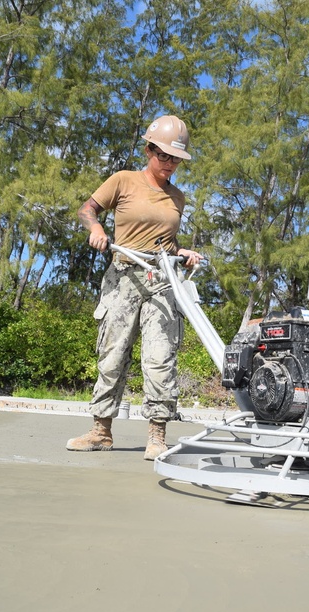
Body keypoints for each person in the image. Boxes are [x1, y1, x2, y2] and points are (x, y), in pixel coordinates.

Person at [66, 115, 204, 460]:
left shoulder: (177, 198)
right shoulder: (123, 181)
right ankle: (101, 431)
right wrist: (95, 230)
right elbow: (88, 209)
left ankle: (157, 437)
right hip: (123, 277)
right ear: (149, 150)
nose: (169, 164)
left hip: (160, 280)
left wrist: (181, 252)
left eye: (176, 159)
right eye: (164, 156)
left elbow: (166, 243)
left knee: (160, 358)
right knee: (112, 355)